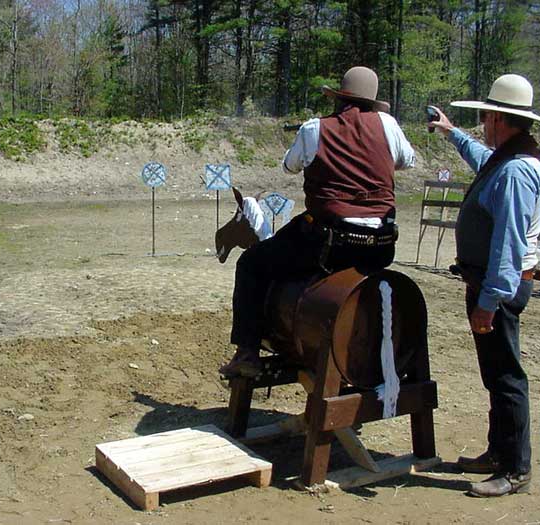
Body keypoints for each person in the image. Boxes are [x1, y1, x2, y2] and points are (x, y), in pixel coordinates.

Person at [219, 66, 416, 378]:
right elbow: (407, 160)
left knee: (251, 263)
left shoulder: (315, 128)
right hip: (380, 246)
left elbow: (289, 166)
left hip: (330, 244)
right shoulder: (388, 125)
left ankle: (247, 352)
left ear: (339, 99)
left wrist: (316, 137)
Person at [429, 74, 540, 497]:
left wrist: (489, 302)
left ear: (497, 118)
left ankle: (515, 469)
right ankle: (499, 453)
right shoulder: (508, 160)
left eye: (483, 118)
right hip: (494, 286)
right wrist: (453, 134)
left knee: (507, 377)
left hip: (500, 289)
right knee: (496, 374)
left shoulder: (514, 171)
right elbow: (481, 158)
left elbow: (508, 246)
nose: (482, 125)